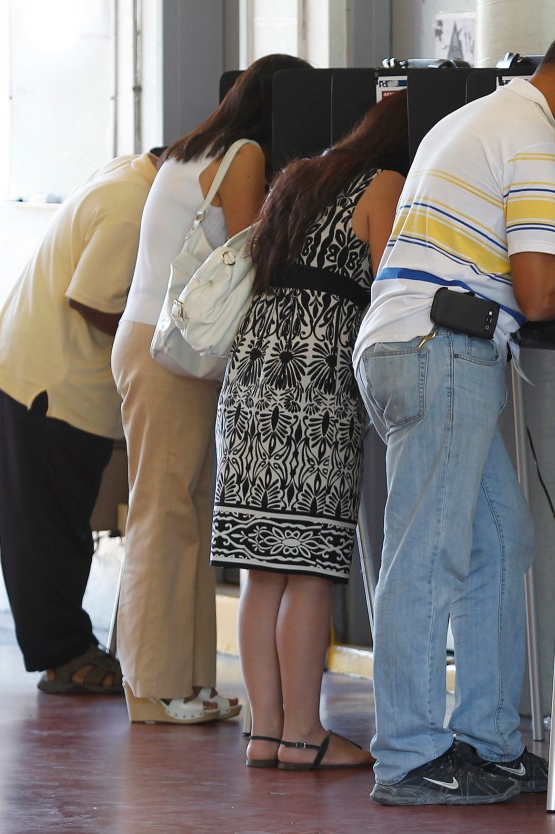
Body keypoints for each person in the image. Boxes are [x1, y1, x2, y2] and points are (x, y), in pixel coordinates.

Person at [353, 26, 555, 805]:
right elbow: (540, 292)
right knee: (428, 556)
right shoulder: (533, 136)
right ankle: (407, 756)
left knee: (502, 542)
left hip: (414, 341)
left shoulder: (474, 117)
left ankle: (488, 743)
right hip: (439, 348)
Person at [110, 53, 311, 724]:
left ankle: (186, 681)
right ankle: (151, 687)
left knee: (186, 511)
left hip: (162, 347)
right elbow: (262, 250)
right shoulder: (246, 155)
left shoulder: (192, 151)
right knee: (163, 516)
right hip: (169, 353)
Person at [211, 93, 409, 768]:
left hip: (252, 379)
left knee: (261, 570)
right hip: (316, 384)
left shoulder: (297, 177)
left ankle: (266, 732)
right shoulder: (387, 185)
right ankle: (305, 734)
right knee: (308, 567)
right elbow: (393, 282)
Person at [0, 150, 160, 695]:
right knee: (49, 531)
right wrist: (159, 338)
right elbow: (90, 300)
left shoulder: (127, 171)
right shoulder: (133, 205)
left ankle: (65, 646)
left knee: (55, 525)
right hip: (50, 386)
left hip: (42, 374)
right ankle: (62, 655)